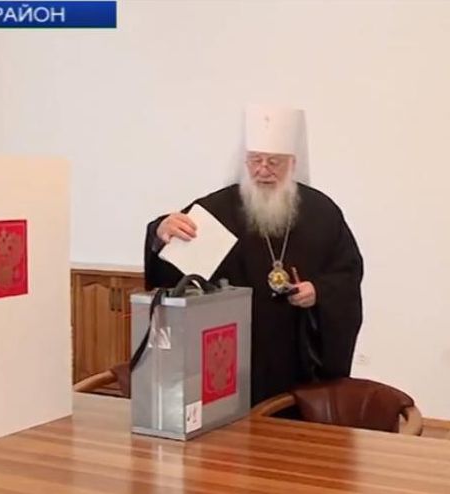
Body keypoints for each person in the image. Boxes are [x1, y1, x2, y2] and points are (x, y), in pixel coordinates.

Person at [143, 105, 363, 406]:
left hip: (298, 353)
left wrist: (319, 291)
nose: (263, 170)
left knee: (296, 426)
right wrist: (160, 231)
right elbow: (172, 269)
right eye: (255, 160)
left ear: (293, 163)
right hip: (231, 349)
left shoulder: (322, 212)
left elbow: (348, 272)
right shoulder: (218, 209)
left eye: (274, 162)